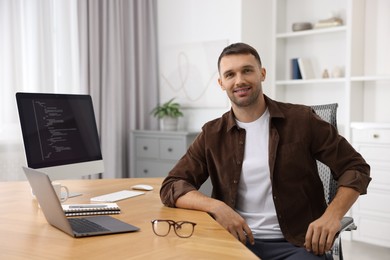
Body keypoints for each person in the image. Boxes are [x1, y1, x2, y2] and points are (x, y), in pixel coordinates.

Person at [160, 42, 371, 260]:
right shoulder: (212, 134)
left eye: (247, 70)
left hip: (298, 244)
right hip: (234, 242)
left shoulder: (302, 120)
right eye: (230, 74)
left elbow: (355, 167)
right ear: (221, 83)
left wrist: (333, 215)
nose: (239, 80)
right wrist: (216, 207)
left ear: (262, 74)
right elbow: (172, 185)